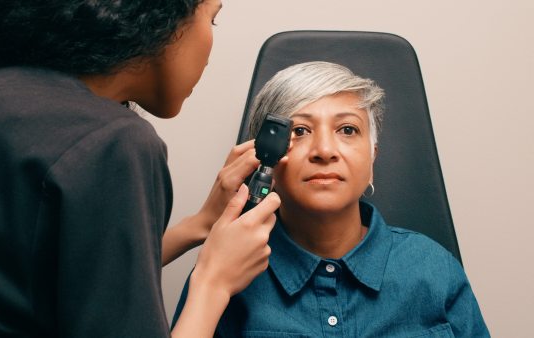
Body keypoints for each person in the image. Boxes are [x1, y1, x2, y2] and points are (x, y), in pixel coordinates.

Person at [0, 1, 281, 337]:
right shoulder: (110, 140)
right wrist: (214, 280)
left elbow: (37, 276)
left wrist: (197, 227)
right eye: (211, 19)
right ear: (159, 15)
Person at [173, 61, 490, 337]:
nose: (324, 151)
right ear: (264, 157)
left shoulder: (435, 269)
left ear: (372, 160)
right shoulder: (222, 269)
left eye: (348, 130)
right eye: (298, 131)